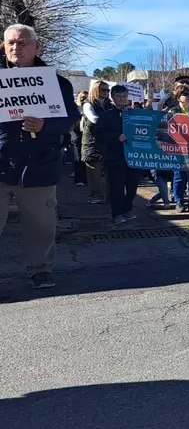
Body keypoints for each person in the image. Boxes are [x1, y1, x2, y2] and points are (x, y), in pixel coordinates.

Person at [0, 24, 81, 288]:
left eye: (23, 42)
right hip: (2, 163)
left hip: (39, 164)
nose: (16, 47)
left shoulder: (58, 83)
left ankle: (41, 268)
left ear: (37, 47)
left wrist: (45, 126)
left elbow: (71, 117)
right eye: (11, 42)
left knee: (40, 224)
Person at [95, 85, 143, 224]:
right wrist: (116, 137)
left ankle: (127, 209)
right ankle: (117, 213)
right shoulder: (106, 116)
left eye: (124, 96)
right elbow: (99, 134)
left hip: (134, 157)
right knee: (116, 188)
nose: (122, 99)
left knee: (132, 185)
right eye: (119, 97)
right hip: (114, 158)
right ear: (113, 98)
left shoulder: (135, 114)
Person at [168, 88, 189, 213]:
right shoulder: (173, 112)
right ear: (178, 98)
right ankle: (179, 201)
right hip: (179, 149)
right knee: (179, 176)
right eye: (185, 95)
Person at [81, 80, 110, 203]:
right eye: (103, 90)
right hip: (92, 141)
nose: (106, 92)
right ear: (96, 90)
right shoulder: (88, 104)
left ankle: (110, 195)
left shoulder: (110, 105)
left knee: (110, 170)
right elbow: (93, 118)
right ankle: (96, 195)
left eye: (107, 90)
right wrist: (110, 123)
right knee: (94, 171)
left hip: (107, 140)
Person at [71, 91, 88, 186]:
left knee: (86, 157)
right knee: (78, 157)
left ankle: (85, 178)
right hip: (77, 133)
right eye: (82, 98)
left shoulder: (89, 107)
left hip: (87, 133)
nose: (84, 100)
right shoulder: (75, 108)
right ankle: (79, 179)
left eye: (86, 98)